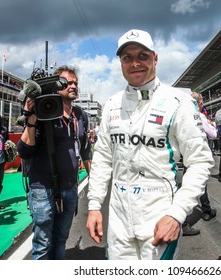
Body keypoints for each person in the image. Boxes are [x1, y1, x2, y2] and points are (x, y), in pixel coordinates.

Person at [86, 29, 214, 260]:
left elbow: (200, 161)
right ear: (121, 62)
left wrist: (177, 214)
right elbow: (103, 157)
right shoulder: (113, 104)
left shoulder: (179, 102)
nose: (135, 63)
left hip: (159, 216)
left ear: (155, 58)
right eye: (127, 58)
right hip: (118, 222)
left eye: (142, 56)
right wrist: (94, 205)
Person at [17, 65, 92, 260]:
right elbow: (24, 151)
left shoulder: (80, 114)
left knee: (61, 239)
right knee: (43, 244)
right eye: (68, 82)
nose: (73, 86)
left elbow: (85, 149)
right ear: (56, 85)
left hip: (70, 187)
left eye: (76, 83)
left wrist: (93, 181)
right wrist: (31, 118)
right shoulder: (44, 110)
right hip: (42, 187)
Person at [182, 92, 217, 236]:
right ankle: (184, 222)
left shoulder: (182, 115)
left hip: (184, 156)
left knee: (190, 185)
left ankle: (207, 209)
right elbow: (213, 135)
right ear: (200, 104)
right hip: (197, 156)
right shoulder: (199, 117)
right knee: (193, 186)